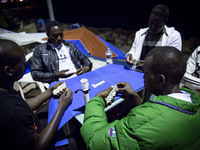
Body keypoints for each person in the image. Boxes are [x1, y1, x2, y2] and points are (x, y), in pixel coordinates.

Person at [81, 46, 200, 149]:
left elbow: (95, 141)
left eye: (145, 73)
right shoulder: (194, 103)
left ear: (160, 80)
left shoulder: (139, 125)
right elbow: (160, 113)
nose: (143, 77)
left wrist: (97, 100)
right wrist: (134, 96)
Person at [0, 39, 77, 150]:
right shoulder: (10, 110)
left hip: (27, 126)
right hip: (39, 142)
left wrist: (49, 92)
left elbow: (23, 106)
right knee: (75, 142)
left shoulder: (5, 88)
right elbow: (37, 146)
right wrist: (61, 108)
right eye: (23, 63)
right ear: (9, 71)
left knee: (50, 107)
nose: (26, 64)